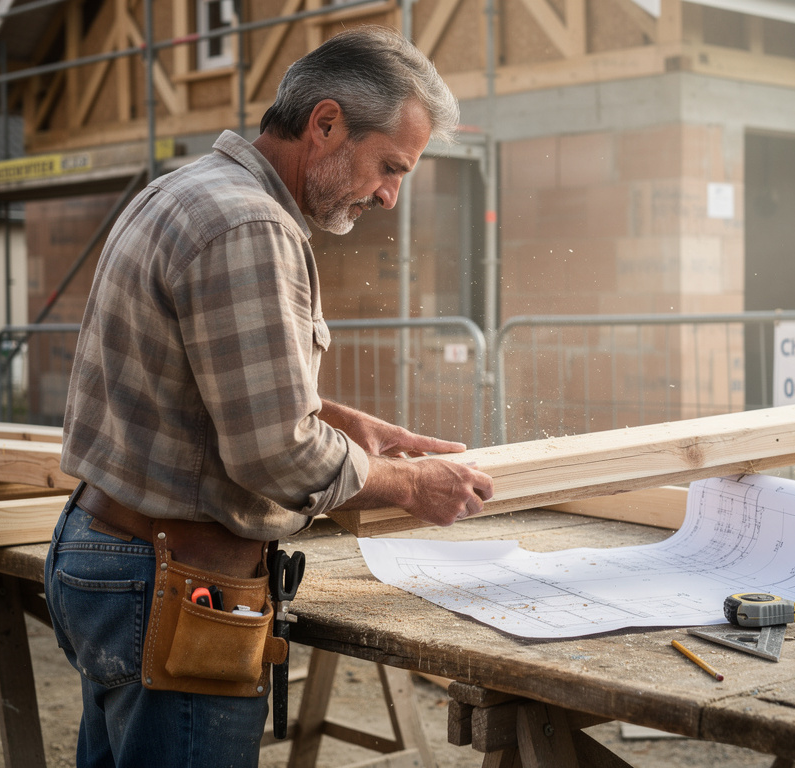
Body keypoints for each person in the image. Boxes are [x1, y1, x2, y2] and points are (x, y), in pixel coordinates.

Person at [44, 26, 493, 768]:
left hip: (112, 552)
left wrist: (343, 423)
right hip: (173, 581)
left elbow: (192, 392)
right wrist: (408, 484)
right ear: (325, 124)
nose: (388, 194)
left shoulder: (187, 190)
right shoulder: (250, 225)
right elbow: (276, 453)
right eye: (389, 166)